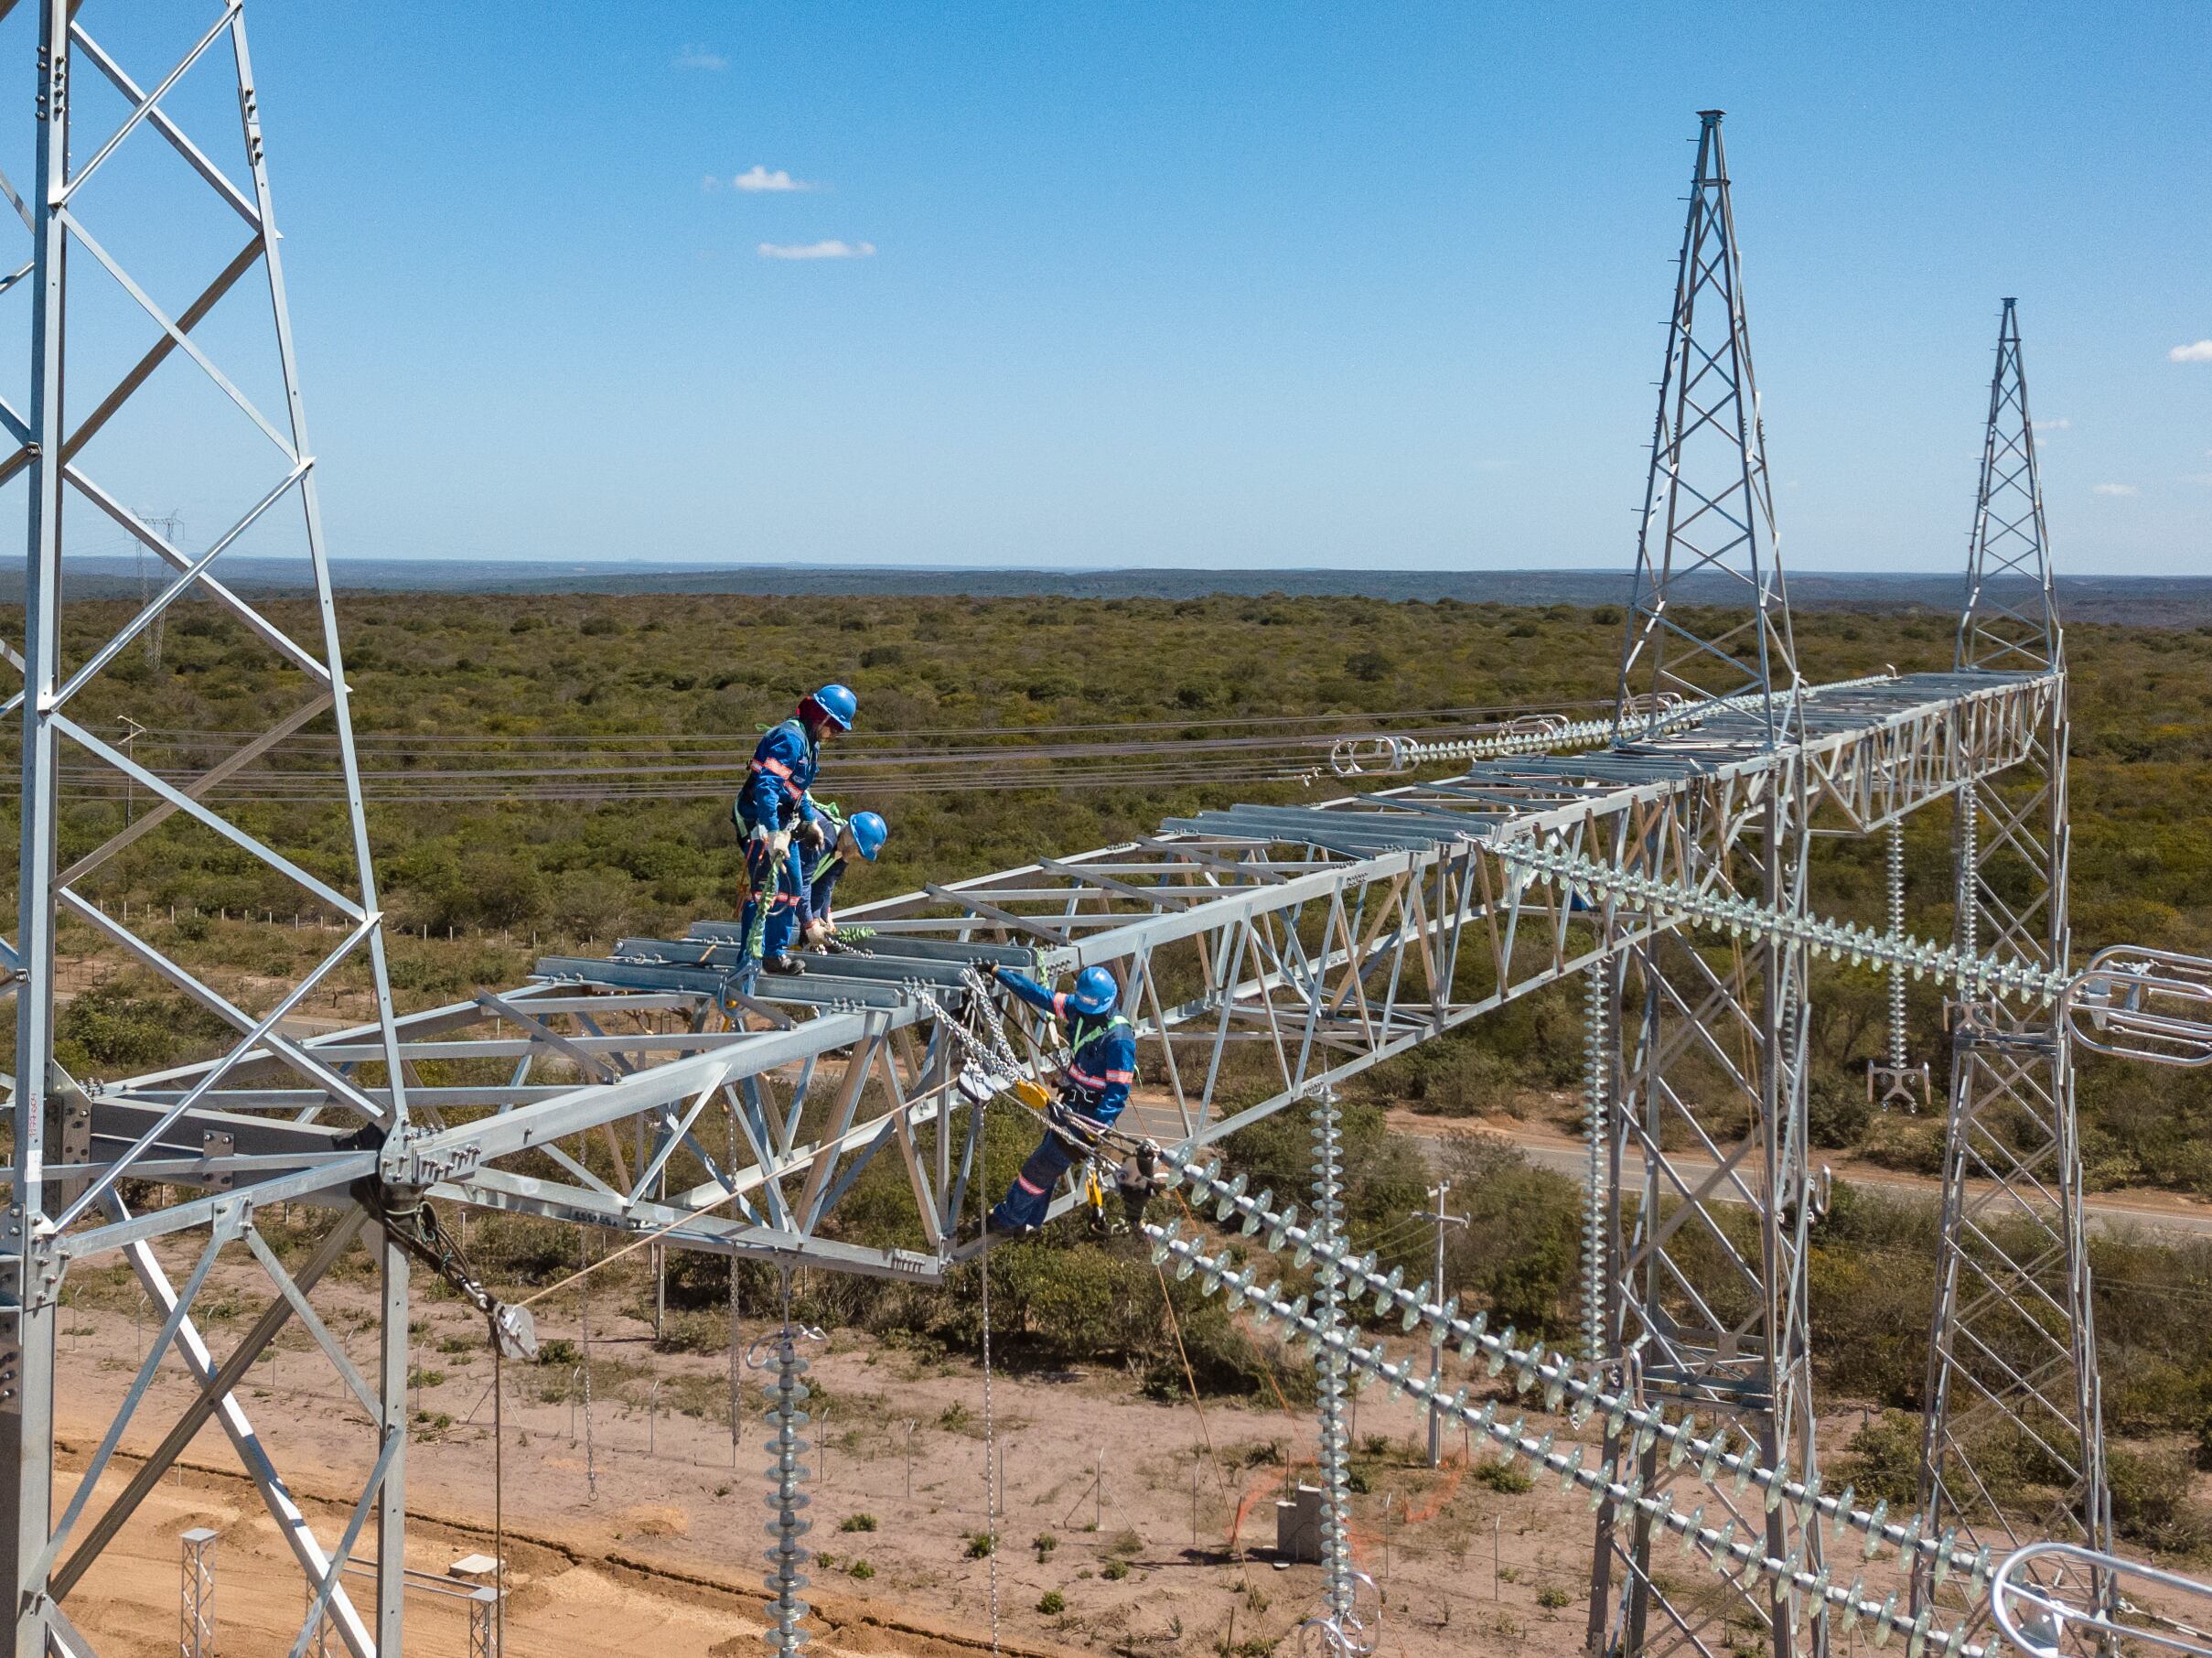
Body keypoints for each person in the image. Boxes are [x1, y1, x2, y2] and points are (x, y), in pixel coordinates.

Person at [983, 964, 1136, 1235]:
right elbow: (1040, 995)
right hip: (1071, 1105)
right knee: (1047, 1164)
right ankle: (1030, 1219)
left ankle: (1007, 1220)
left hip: (1089, 1116)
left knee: (1039, 1168)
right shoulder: (1078, 1008)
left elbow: (1117, 1092)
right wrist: (1000, 974)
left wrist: (1093, 1131)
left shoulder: (1119, 1038)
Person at [733, 684, 856, 974]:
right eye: (835, 728)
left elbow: (796, 790)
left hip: (784, 818)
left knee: (791, 888)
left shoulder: (809, 745)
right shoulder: (791, 738)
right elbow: (767, 786)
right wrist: (773, 831)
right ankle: (748, 960)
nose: (835, 735)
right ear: (822, 718)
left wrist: (808, 818)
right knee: (766, 891)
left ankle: (773, 956)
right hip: (758, 817)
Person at [794, 804, 888, 949]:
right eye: (860, 852)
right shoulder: (825, 837)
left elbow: (823, 885)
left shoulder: (838, 846)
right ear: (852, 840)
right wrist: (810, 924)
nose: (858, 857)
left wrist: (823, 919)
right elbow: (801, 883)